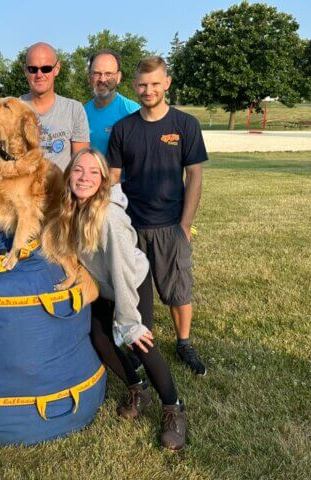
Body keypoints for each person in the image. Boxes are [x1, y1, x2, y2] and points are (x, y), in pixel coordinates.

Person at [46, 147, 187, 450]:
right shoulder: (69, 208)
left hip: (131, 284)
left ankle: (173, 408)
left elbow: (122, 272)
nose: (84, 177)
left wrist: (128, 321)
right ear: (69, 173)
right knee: (99, 339)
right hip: (103, 286)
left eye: (93, 172)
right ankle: (138, 388)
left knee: (140, 342)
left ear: (103, 181)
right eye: (79, 170)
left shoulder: (108, 215)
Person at [106, 56, 208, 375]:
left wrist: (185, 225)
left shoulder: (185, 125)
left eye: (154, 83)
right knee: (134, 290)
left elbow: (194, 176)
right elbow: (112, 178)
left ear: (167, 83)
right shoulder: (124, 128)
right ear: (134, 86)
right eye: (142, 84)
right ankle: (138, 344)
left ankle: (184, 342)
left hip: (170, 224)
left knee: (178, 289)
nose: (148, 90)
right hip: (133, 226)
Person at [20, 42, 89, 171]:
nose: (39, 75)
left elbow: (79, 163)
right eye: (33, 69)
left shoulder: (74, 109)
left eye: (46, 68)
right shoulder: (13, 110)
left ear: (56, 69)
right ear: (25, 70)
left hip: (60, 189)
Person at [83, 49, 139, 185]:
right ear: (89, 76)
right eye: (97, 73)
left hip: (124, 192)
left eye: (108, 74)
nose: (102, 79)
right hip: (90, 189)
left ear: (119, 77)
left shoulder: (132, 112)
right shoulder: (81, 113)